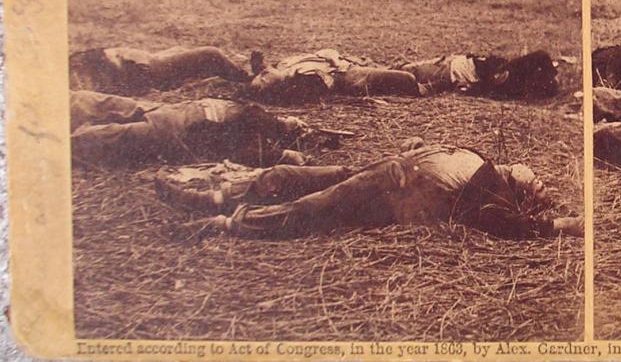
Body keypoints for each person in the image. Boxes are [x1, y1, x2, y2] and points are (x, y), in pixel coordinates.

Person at [157, 139, 584, 239]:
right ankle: (214, 195)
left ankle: (224, 222)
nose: (538, 177)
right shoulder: (480, 158)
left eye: (537, 185)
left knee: (312, 206)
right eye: (540, 180)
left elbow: (507, 225)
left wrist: (560, 223)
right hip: (384, 170)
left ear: (517, 191)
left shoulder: (487, 188)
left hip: (386, 193)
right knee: (297, 178)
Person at [71, 90, 319, 167]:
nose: (292, 120)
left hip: (172, 129)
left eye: (294, 126)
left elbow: (253, 155)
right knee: (100, 104)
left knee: (107, 135)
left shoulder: (256, 142)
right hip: (171, 111)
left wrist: (288, 156)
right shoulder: (254, 117)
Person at [247, 49, 560, 103]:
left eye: (262, 74)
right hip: (459, 69)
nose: (264, 73)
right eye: (263, 78)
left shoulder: (292, 65)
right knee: (406, 74)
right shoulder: (300, 76)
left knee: (406, 73)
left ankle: (547, 80)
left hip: (458, 68)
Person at [70, 46, 254, 95]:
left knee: (179, 50)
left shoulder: (78, 64)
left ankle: (223, 72)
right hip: (147, 67)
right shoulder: (80, 73)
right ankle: (249, 79)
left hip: (144, 60)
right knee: (210, 53)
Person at [396, 50, 560, 99]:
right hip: (452, 67)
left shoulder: (511, 84)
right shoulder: (512, 76)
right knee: (406, 72)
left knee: (406, 72)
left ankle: (380, 69)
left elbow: (542, 55)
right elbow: (541, 55)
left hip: (450, 70)